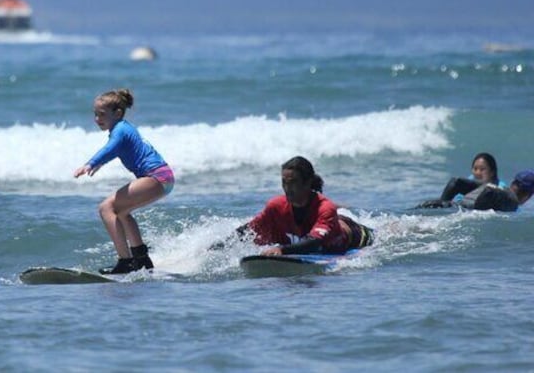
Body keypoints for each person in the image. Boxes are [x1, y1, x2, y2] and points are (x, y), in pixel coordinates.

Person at [73, 88, 175, 274]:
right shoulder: (123, 128)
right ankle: (141, 259)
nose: (97, 119)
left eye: (102, 114)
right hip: (163, 178)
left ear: (118, 113)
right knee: (121, 212)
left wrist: (91, 163)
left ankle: (125, 261)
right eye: (95, 114)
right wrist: (99, 164)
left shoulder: (120, 130)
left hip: (156, 176)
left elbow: (111, 148)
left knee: (106, 208)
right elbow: (115, 150)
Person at [211, 156, 374, 256]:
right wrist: (216, 248)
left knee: (381, 235)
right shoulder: (276, 206)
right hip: (321, 226)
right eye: (284, 183)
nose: (287, 188)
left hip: (354, 237)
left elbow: (314, 243)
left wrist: (282, 250)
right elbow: (249, 230)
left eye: (293, 182)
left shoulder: (325, 208)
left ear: (308, 182)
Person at [417, 169, 534, 212]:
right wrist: (470, 212)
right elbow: (489, 192)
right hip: (453, 213)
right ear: (528, 195)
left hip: (437, 205)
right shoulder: (512, 202)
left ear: (513, 182)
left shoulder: (492, 186)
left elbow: (456, 182)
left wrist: (443, 206)